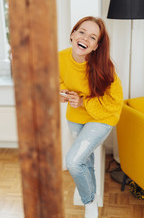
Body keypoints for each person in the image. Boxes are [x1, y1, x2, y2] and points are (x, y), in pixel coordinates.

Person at [59, 16, 123, 218]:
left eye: (93, 37)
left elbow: (114, 103)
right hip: (75, 117)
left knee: (74, 161)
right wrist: (64, 93)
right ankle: (92, 195)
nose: (85, 38)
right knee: (85, 160)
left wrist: (83, 101)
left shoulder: (105, 68)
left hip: (102, 118)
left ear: (96, 46)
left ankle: (89, 202)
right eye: (82, 32)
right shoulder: (60, 58)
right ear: (72, 35)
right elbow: (57, 80)